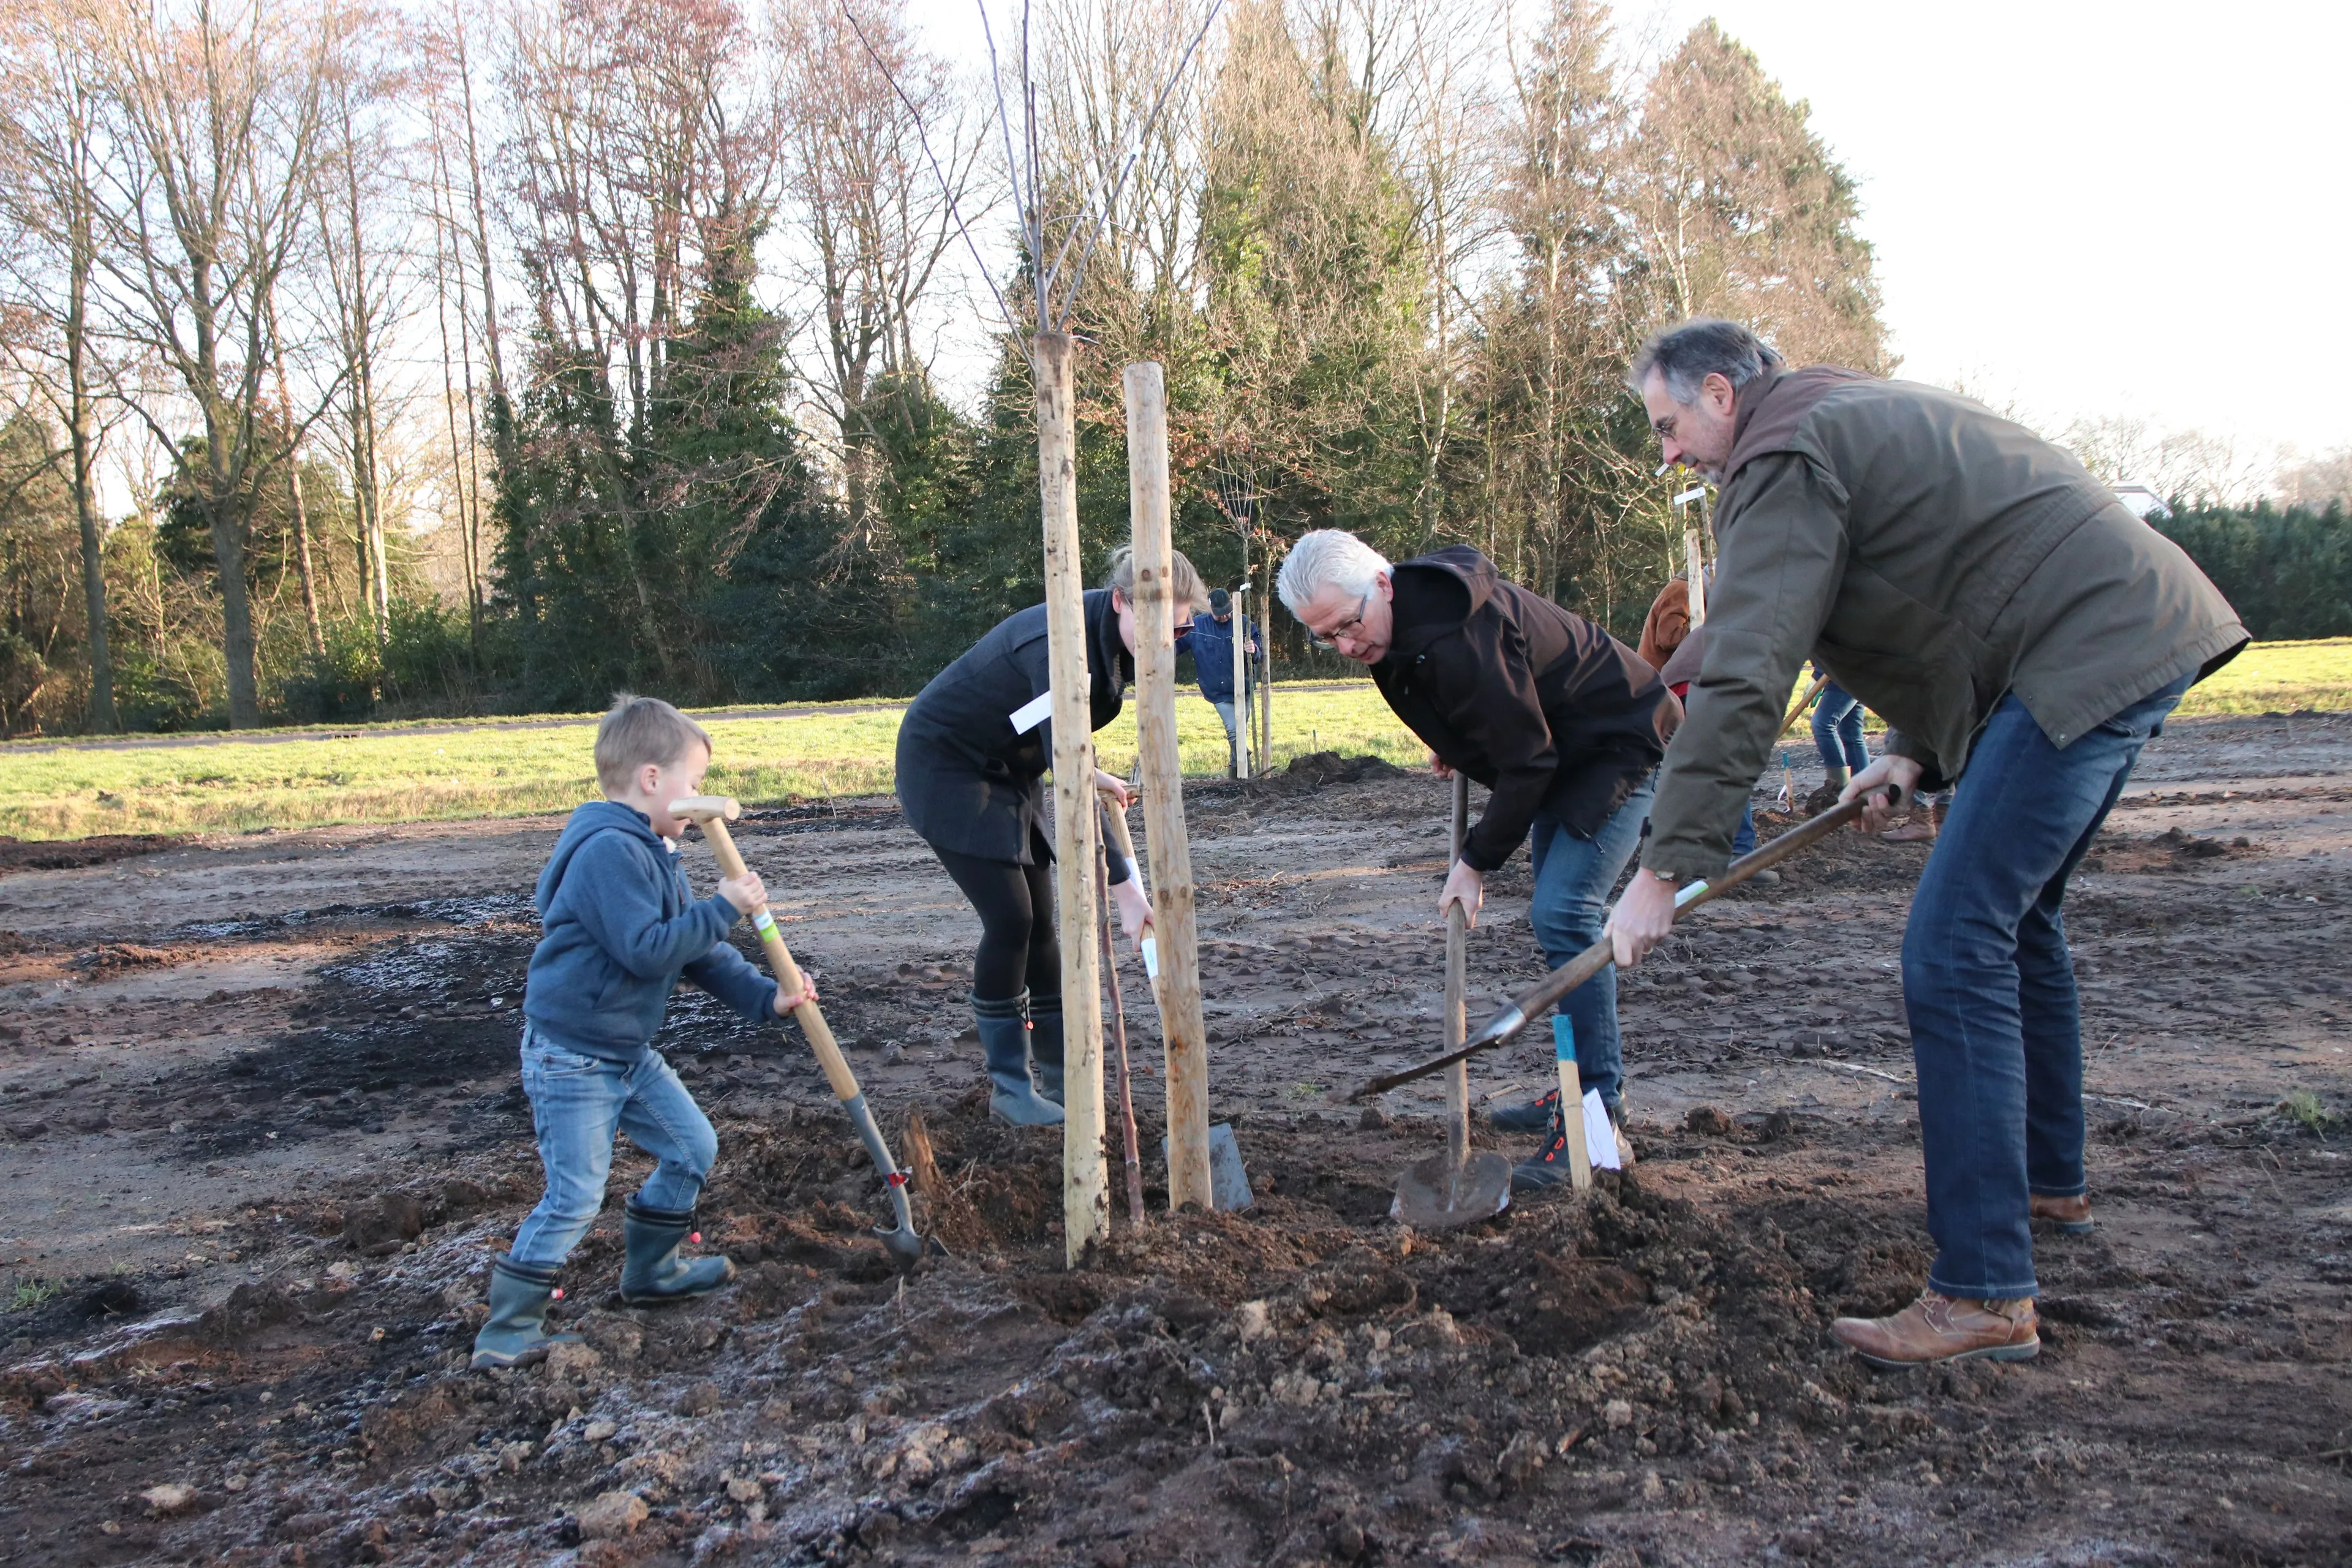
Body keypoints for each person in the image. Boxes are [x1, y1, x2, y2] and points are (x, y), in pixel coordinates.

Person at [1606, 319, 2245, 1366]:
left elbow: (1753, 666)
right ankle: (2047, 1185)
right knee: (2016, 923)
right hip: (2125, 620)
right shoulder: (1842, 409)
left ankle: (1986, 1289)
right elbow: (1958, 582)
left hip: (2083, 645)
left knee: (1952, 950)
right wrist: (1910, 749)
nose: (1667, 452)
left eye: (1668, 424)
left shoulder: (1781, 456)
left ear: (1720, 393)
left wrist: (1665, 866)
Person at [1276, 531, 1679, 1186]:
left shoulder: (1461, 636)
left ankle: (1598, 1120)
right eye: (1327, 638)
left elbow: (1528, 758)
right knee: (1560, 921)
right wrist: (1465, 742)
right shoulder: (1396, 623)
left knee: (1565, 915)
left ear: (1383, 583)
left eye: (1349, 625)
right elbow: (1497, 713)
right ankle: (1578, 1092)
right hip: (1562, 753)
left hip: (1620, 744)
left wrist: (1474, 861)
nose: (1347, 647)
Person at [472, 696, 814, 1371]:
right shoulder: (607, 852)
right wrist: (724, 906)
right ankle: (508, 1329)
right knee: (574, 1194)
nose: (699, 800)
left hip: (625, 1051)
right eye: (692, 785)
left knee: (693, 1146)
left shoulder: (652, 852)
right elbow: (647, 949)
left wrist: (766, 996)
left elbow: (696, 954)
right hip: (573, 1053)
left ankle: (653, 1271)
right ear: (651, 779)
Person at [896, 547, 1200, 1124]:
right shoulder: (1059, 644)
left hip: (1012, 768)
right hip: (948, 766)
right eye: (1157, 623)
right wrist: (1126, 888)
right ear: (1120, 602)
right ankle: (1011, 1090)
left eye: (1180, 628)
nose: (1167, 640)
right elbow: (1068, 759)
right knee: (1012, 919)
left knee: (1041, 926)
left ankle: (1061, 1085)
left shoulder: (1113, 637)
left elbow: (1067, 745)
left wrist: (1091, 769)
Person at [1189, 587, 1261, 772]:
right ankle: (1248, 772)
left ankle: (1236, 772)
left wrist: (1254, 650)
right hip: (1217, 692)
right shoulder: (1197, 627)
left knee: (1239, 734)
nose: (1225, 617)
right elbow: (1177, 645)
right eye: (1220, 614)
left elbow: (1259, 651)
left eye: (1227, 612)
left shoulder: (1244, 623)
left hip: (1243, 688)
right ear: (1210, 609)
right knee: (1235, 732)